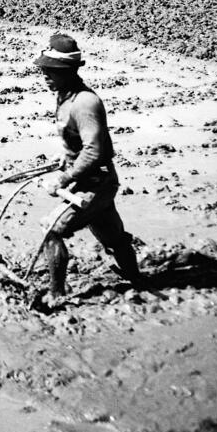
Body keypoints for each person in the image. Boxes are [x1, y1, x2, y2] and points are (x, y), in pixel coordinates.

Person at [34, 33, 142, 306]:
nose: (45, 75)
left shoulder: (84, 103)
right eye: (44, 69)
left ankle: (56, 295)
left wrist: (65, 177)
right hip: (90, 180)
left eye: (52, 71)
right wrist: (65, 158)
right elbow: (79, 143)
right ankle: (139, 282)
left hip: (97, 183)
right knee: (114, 237)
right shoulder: (64, 96)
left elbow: (94, 150)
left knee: (53, 231)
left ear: (69, 71)